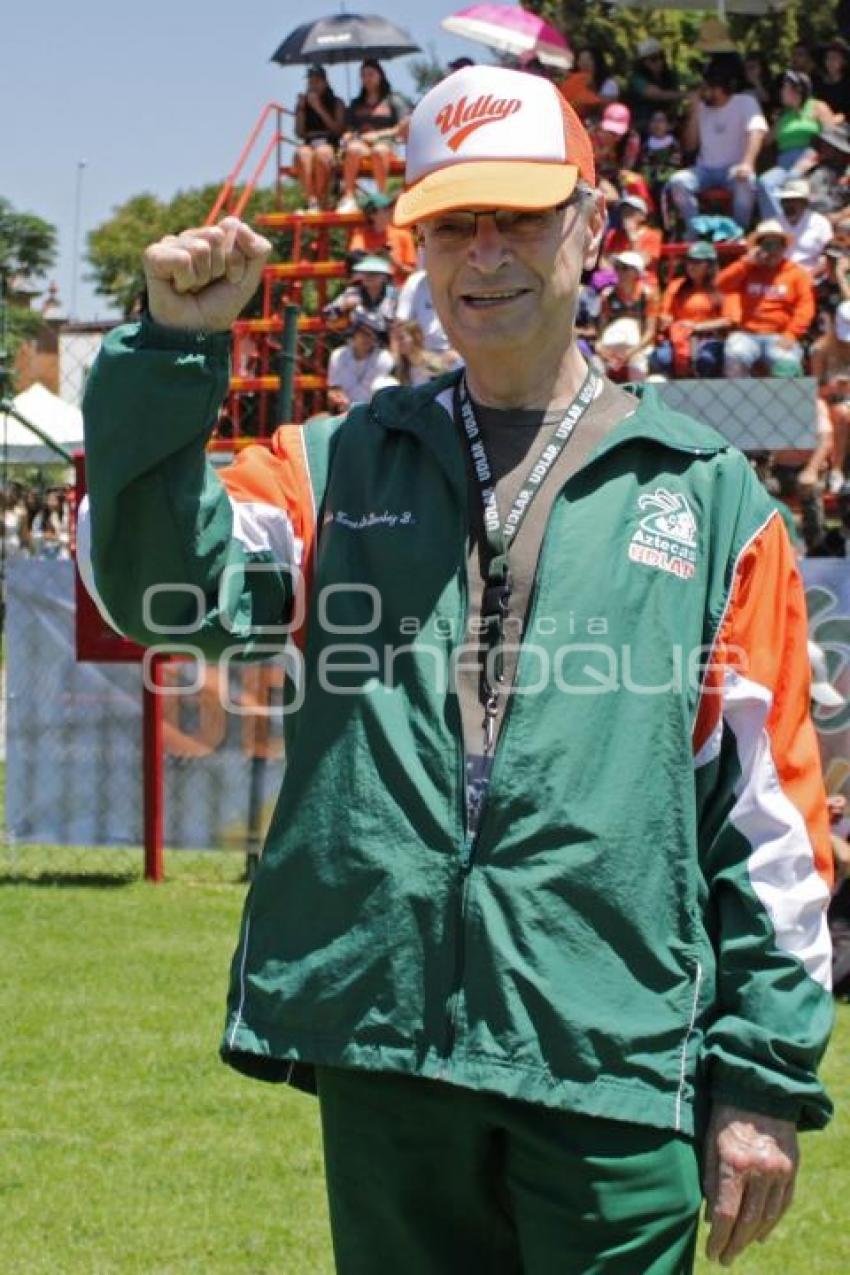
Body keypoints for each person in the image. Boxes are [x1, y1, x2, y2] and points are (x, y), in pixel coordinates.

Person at [80, 63, 833, 1275]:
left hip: (613, 1046)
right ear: (417, 243)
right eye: (452, 223)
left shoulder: (708, 495)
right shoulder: (330, 463)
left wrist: (757, 1077)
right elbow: (170, 587)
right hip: (389, 1048)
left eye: (521, 217)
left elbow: (769, 817)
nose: (486, 254)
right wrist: (170, 354)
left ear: (589, 224)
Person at [667, 58, 768, 235]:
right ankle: (696, 232)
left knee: (747, 181)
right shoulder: (702, 108)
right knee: (678, 182)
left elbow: (757, 131)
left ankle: (738, 232)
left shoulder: (745, 102)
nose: (703, 92)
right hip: (705, 169)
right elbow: (690, 145)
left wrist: (748, 163)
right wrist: (694, 112)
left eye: (707, 88)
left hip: (734, 169)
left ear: (721, 88)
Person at [718, 218, 816, 376]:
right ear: (758, 248)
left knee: (787, 364)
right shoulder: (746, 269)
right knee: (735, 354)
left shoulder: (797, 274)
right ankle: (739, 400)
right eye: (767, 245)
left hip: (780, 335)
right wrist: (745, 263)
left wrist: (791, 334)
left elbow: (805, 308)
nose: (772, 250)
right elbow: (721, 284)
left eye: (777, 245)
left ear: (784, 248)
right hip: (747, 334)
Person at [757, 71, 838, 216]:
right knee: (765, 182)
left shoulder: (817, 107)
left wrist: (812, 158)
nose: (781, 92)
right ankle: (780, 225)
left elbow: (833, 137)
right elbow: (766, 141)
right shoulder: (784, 116)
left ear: (797, 90)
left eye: (785, 88)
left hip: (811, 161)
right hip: (785, 165)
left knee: (795, 182)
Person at [650, 241, 733, 378]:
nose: (691, 266)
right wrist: (665, 320)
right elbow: (665, 314)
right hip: (679, 337)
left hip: (709, 337)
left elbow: (728, 320)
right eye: (689, 261)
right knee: (661, 357)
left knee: (706, 359)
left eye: (697, 262)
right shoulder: (677, 286)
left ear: (710, 265)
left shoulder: (722, 287)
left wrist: (697, 326)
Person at [338, 59, 407, 212]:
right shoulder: (356, 103)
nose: (367, 78)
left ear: (380, 76)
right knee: (353, 149)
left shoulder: (393, 99)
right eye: (363, 75)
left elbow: (403, 127)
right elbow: (349, 128)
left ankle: (381, 196)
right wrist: (347, 136)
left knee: (379, 150)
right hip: (362, 145)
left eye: (370, 74)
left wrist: (377, 135)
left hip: (387, 146)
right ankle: (348, 197)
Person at [595, 250, 659, 381]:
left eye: (624, 268)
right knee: (595, 366)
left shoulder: (647, 295)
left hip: (638, 348)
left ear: (636, 272)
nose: (619, 272)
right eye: (617, 267)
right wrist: (600, 347)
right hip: (611, 347)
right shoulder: (607, 295)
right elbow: (602, 329)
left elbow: (650, 332)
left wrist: (630, 353)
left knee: (638, 367)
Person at [293, 64, 345, 213]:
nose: (313, 85)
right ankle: (312, 201)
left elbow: (338, 130)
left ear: (325, 82)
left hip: (330, 144)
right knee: (302, 154)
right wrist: (302, 109)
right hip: (309, 145)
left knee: (322, 154)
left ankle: (322, 198)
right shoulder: (304, 104)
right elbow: (299, 132)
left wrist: (319, 108)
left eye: (316, 81)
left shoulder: (337, 103)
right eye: (310, 82)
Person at [325, 309, 395, 413]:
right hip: (343, 412)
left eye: (372, 334)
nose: (368, 338)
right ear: (354, 333)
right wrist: (336, 397)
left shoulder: (384, 358)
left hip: (373, 413)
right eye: (363, 333)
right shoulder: (338, 355)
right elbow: (334, 389)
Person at [347, 191, 417, 286]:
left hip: (398, 291)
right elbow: (354, 260)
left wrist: (392, 262)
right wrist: (378, 257)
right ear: (372, 214)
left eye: (390, 207)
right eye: (385, 209)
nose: (391, 211)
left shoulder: (403, 236)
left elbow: (413, 274)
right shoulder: (360, 236)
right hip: (370, 289)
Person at [774, 177, 833, 276]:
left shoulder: (820, 223)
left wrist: (807, 277)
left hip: (811, 276)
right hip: (778, 276)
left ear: (805, 203)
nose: (788, 205)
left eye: (793, 201)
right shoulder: (773, 224)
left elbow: (827, 257)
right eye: (785, 201)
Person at [626, 37, 682, 134]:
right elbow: (657, 94)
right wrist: (686, 95)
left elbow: (674, 103)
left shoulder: (670, 77)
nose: (659, 62)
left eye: (661, 57)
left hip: (666, 125)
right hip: (642, 125)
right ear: (643, 62)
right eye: (653, 59)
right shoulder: (636, 79)